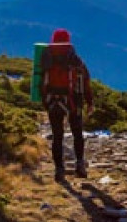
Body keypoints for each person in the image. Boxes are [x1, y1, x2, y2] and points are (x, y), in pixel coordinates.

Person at [40, 28, 94, 182]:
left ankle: (59, 169)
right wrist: (89, 102)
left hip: (52, 101)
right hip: (73, 102)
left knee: (57, 136)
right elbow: (86, 81)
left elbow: (40, 81)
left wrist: (44, 101)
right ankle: (79, 165)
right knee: (77, 134)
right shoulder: (74, 59)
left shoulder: (45, 57)